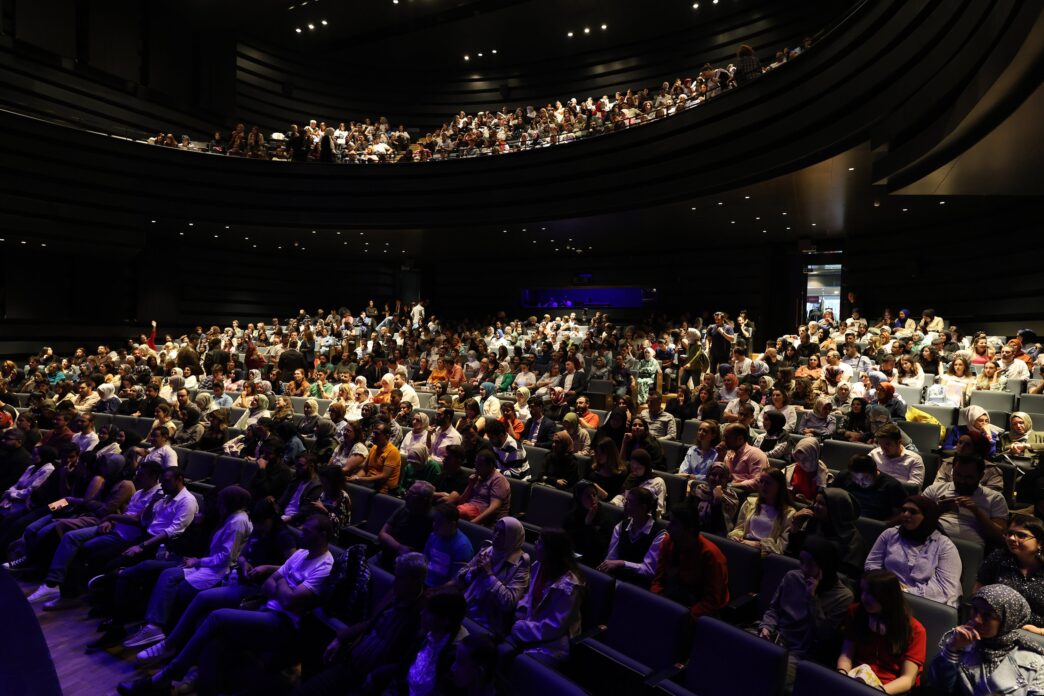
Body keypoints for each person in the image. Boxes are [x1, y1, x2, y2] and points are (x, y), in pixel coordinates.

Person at [118, 514, 334, 696]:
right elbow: (269, 584)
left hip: (283, 622)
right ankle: (172, 680)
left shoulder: (325, 566)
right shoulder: (302, 554)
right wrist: (285, 585)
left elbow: (286, 598)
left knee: (217, 617)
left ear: (322, 535)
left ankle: (167, 674)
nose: (301, 533)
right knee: (213, 635)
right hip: (266, 607)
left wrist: (281, 583)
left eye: (307, 531)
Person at [119, 486, 254, 651]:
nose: (218, 505)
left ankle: (159, 627)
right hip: (208, 564)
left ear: (230, 502)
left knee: (178, 584)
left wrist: (198, 561)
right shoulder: (231, 518)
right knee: (168, 574)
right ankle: (154, 625)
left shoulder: (237, 522)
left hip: (219, 571)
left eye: (221, 501)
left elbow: (226, 558)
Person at [286, 552, 428, 696]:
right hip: (350, 665)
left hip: (371, 683)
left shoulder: (422, 615)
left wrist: (377, 677)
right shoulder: (394, 595)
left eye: (400, 577)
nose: (395, 581)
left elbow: (407, 664)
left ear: (415, 582)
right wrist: (340, 638)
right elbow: (370, 623)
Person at [757, 538, 853, 684]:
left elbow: (824, 635)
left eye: (810, 564)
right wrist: (766, 627)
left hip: (800, 654)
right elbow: (774, 609)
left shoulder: (842, 596)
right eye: (801, 561)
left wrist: (812, 598)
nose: (804, 568)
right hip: (775, 638)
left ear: (825, 566)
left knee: (765, 675)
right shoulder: (792, 577)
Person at [927, 584, 1044, 695]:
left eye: (988, 615)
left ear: (1007, 621)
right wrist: (952, 648)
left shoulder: (1034, 662)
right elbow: (939, 688)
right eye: (975, 609)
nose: (976, 619)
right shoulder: (962, 642)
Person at [836, 569, 927, 694]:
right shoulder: (856, 612)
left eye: (871, 594)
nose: (864, 598)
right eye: (863, 591)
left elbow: (907, 679)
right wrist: (842, 677)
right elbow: (846, 655)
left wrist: (876, 692)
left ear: (888, 597)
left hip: (888, 689)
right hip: (855, 680)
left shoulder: (915, 630)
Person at [864, 496, 962, 607]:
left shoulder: (945, 546)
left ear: (927, 517)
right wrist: (884, 584)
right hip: (886, 597)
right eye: (904, 510)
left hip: (927, 604)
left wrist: (903, 592)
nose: (906, 514)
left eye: (913, 512)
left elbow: (944, 589)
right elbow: (872, 564)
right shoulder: (890, 534)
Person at [508, 529, 585, 664]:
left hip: (553, 644)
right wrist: (520, 612)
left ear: (551, 550)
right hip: (530, 627)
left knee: (522, 664)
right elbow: (529, 596)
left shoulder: (570, 585)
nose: (535, 545)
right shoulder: (539, 565)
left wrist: (522, 627)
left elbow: (554, 627)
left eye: (539, 542)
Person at [454, 516, 531, 638]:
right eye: (496, 530)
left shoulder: (521, 565)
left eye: (503, 533)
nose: (496, 535)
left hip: (488, 622)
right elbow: (459, 578)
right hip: (465, 607)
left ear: (513, 537)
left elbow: (508, 603)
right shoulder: (488, 550)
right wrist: (475, 570)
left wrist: (489, 574)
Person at [651, 506, 729, 621]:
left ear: (689, 530)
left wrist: (684, 617)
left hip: (700, 611)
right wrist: (656, 601)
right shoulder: (668, 542)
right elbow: (658, 580)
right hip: (674, 600)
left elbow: (712, 601)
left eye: (674, 524)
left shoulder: (710, 555)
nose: (668, 527)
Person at [976, 514, 1044, 634]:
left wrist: (1040, 631)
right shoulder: (998, 558)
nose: (1012, 538)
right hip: (997, 631)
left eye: (1021, 535)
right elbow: (979, 594)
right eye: (1010, 533)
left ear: (1040, 543)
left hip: (1037, 634)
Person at [923, 454, 1008, 547]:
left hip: (971, 548)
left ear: (981, 476)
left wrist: (977, 512)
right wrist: (939, 510)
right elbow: (917, 522)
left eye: (969, 477)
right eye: (958, 475)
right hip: (932, 542)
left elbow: (1001, 538)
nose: (962, 481)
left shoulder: (995, 498)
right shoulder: (935, 490)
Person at [598, 486, 665, 588]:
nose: (625, 504)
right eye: (626, 500)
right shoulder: (621, 526)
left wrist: (622, 563)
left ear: (643, 507)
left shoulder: (659, 534)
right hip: (618, 579)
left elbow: (649, 570)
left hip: (640, 586)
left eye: (630, 501)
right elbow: (611, 559)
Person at [786, 488, 864, 576]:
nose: (815, 506)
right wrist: (796, 525)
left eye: (821, 503)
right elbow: (794, 553)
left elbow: (847, 576)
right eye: (815, 502)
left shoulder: (854, 541)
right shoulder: (815, 523)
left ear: (836, 509)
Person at [729, 468, 797, 555]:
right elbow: (739, 528)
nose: (763, 486)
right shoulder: (750, 503)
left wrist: (759, 545)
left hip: (766, 554)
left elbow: (781, 546)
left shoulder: (788, 513)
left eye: (768, 483)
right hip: (743, 545)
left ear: (779, 487)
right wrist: (736, 537)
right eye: (761, 482)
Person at [377, 481, 435, 569]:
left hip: (409, 565)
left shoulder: (433, 520)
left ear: (424, 500)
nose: (406, 495)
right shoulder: (404, 507)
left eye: (412, 493)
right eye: (408, 491)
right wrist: (399, 547)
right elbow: (382, 533)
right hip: (387, 555)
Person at [832, 454, 907, 521]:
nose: (860, 483)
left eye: (865, 478)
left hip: (875, 524)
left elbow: (902, 512)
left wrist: (884, 525)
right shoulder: (844, 476)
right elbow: (831, 498)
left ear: (875, 472)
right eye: (855, 478)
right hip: (846, 520)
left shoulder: (892, 485)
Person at [563, 480, 613, 566]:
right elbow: (568, 540)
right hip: (572, 555)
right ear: (579, 499)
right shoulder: (572, 515)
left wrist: (588, 524)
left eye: (594, 494)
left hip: (592, 561)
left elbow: (600, 547)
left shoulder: (604, 517)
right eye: (587, 496)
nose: (593, 498)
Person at [456, 451, 510, 526]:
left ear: (490, 465)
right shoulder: (478, 477)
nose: (476, 467)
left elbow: (494, 508)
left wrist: (473, 523)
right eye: (476, 463)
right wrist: (470, 485)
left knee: (461, 513)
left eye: (480, 464)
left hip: (487, 520)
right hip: (469, 511)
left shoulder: (498, 480)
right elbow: (461, 502)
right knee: (449, 511)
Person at [685, 462, 739, 536]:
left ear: (727, 480)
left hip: (716, 536)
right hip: (694, 531)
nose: (717, 479)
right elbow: (687, 513)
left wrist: (717, 501)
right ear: (707, 476)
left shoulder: (731, 498)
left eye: (721, 476)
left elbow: (718, 526)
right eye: (713, 475)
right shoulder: (700, 489)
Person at [609, 449, 667, 518]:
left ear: (646, 467)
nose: (634, 470)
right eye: (632, 467)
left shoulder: (658, 482)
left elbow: (658, 510)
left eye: (638, 468)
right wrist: (614, 503)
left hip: (645, 518)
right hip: (627, 514)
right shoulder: (632, 478)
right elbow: (623, 497)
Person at [351, 423, 402, 494]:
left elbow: (383, 477)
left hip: (382, 488)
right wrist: (355, 477)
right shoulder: (374, 448)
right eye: (373, 432)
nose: (373, 435)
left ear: (387, 436)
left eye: (377, 433)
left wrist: (360, 479)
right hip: (369, 483)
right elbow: (364, 469)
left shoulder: (393, 451)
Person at [718, 422, 768, 490]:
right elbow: (721, 476)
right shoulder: (728, 452)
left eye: (727, 437)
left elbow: (758, 481)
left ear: (740, 439)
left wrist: (730, 485)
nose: (723, 440)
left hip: (742, 492)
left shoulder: (755, 454)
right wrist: (720, 457)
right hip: (727, 489)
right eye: (723, 436)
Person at [782, 436, 831, 504]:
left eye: (805, 459)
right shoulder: (789, 471)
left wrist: (806, 501)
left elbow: (825, 506)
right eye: (798, 459)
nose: (801, 463)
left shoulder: (827, 478)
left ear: (814, 457)